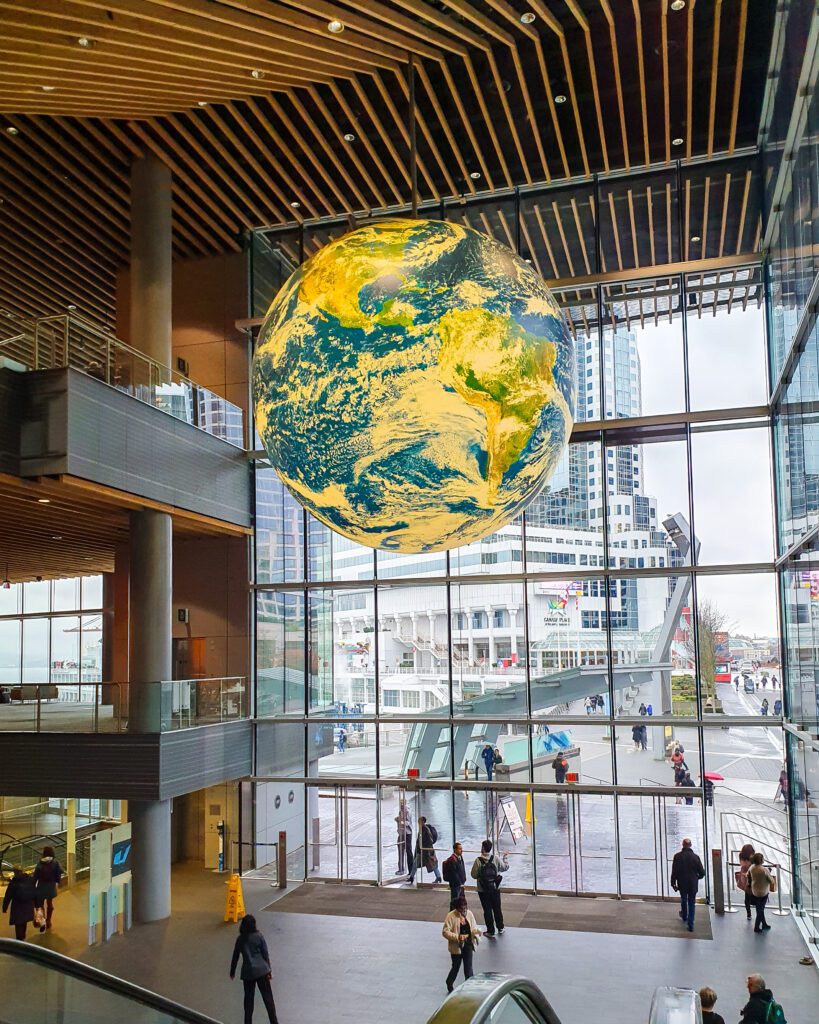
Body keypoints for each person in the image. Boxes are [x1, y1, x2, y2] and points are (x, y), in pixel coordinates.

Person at [229, 914, 279, 1024]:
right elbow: (265, 953)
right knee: (268, 1000)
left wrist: (232, 971)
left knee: (248, 1002)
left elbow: (235, 956)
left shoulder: (240, 939)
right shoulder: (259, 936)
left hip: (248, 973)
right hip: (262, 971)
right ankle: (274, 1022)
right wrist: (269, 969)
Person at [442, 893, 480, 993]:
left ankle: (470, 987)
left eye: (465, 908)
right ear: (457, 908)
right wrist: (457, 937)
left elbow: (473, 927)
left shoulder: (470, 914)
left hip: (467, 944)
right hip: (457, 946)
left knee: (468, 968)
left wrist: (476, 933)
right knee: (456, 967)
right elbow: (445, 932)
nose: (463, 911)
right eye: (461, 909)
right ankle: (449, 982)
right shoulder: (451, 916)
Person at [471, 839, 508, 937]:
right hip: (495, 888)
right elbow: (505, 867)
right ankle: (500, 927)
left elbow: (473, 875)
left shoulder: (478, 860)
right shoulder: (495, 858)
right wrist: (505, 859)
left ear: (482, 848)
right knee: (497, 908)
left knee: (487, 909)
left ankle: (490, 931)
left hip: (483, 890)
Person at [670, 837, 705, 932]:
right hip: (693, 883)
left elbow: (674, 872)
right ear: (691, 845)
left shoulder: (677, 857)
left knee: (684, 899)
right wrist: (697, 877)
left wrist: (673, 883)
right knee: (691, 902)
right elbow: (702, 872)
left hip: (682, 883)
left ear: (682, 845)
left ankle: (684, 916)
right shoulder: (696, 857)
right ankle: (691, 924)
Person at [33, 846, 63, 932]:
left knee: (40, 905)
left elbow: (35, 877)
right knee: (50, 904)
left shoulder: (40, 863)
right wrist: (57, 881)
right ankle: (49, 921)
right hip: (51, 887)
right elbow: (60, 871)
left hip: (41, 887)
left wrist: (32, 886)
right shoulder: (55, 862)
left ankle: (43, 921)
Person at [2, 867, 36, 941]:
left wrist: (4, 908)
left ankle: (19, 939)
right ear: (22, 871)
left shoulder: (14, 882)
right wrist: (37, 905)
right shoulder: (30, 879)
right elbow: (34, 892)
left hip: (17, 905)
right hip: (28, 904)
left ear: (15, 872)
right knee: (24, 921)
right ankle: (23, 936)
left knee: (18, 923)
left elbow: (8, 896)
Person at [409, 816, 442, 883]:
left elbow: (429, 841)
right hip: (423, 850)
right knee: (418, 863)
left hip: (425, 851)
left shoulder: (425, 829)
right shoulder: (423, 829)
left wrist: (425, 849)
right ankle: (411, 877)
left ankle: (438, 877)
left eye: (419, 821)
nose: (418, 823)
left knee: (431, 864)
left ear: (423, 822)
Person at [748, 852, 774, 933]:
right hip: (763, 892)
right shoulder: (764, 870)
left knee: (759, 908)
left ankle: (764, 924)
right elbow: (771, 881)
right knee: (760, 910)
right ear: (761, 860)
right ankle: (756, 927)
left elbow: (748, 875)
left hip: (754, 891)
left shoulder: (752, 867)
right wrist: (769, 873)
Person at [442, 841, 467, 909]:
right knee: (455, 901)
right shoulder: (452, 860)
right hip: (455, 885)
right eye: (459, 849)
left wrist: (463, 880)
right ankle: (452, 916)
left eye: (461, 849)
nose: (461, 850)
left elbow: (462, 870)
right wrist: (460, 883)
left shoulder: (460, 857)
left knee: (460, 901)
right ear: (455, 850)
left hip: (460, 884)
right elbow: (454, 874)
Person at [737, 842, 756, 920]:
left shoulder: (741, 856)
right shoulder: (753, 858)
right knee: (754, 893)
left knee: (747, 896)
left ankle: (749, 914)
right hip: (752, 877)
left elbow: (742, 865)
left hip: (744, 877)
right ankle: (756, 907)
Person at [395, 803, 413, 875]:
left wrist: (400, 821)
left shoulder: (407, 811)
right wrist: (398, 819)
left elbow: (407, 823)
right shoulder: (401, 811)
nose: (401, 805)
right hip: (401, 833)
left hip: (407, 834)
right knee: (400, 850)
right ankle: (401, 869)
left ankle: (411, 871)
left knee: (408, 852)